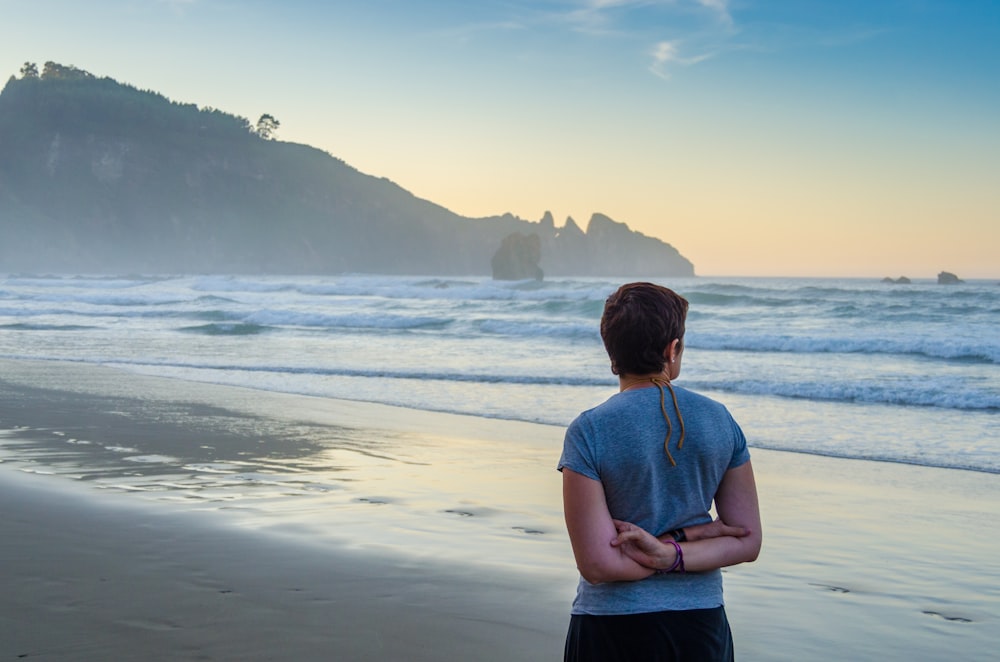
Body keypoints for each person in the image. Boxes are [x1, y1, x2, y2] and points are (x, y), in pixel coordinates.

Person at [559, 282, 762, 661]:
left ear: (611, 353)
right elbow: (747, 541)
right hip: (700, 623)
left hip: (613, 624)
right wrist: (679, 548)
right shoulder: (719, 420)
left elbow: (598, 565)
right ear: (673, 350)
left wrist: (664, 550)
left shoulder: (590, 429)